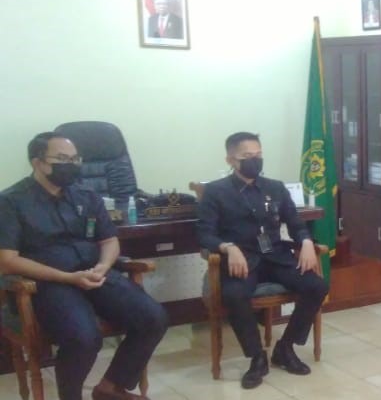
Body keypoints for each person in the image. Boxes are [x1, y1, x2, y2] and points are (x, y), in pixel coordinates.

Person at [0, 132, 168, 400]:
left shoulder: (86, 195)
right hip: (48, 284)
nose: (72, 165)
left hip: (94, 274)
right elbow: (7, 260)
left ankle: (110, 387)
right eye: (62, 159)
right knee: (84, 337)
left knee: (153, 317)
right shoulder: (11, 201)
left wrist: (103, 266)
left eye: (75, 159)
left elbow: (109, 240)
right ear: (38, 162)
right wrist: (67, 278)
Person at [196, 132, 329, 390]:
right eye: (247, 156)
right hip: (241, 261)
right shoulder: (215, 191)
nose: (255, 160)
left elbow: (296, 223)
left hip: (276, 257)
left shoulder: (275, 187)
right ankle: (257, 357)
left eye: (258, 155)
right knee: (234, 295)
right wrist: (228, 247)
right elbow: (204, 234)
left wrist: (305, 242)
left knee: (317, 286)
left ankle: (285, 348)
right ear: (231, 160)